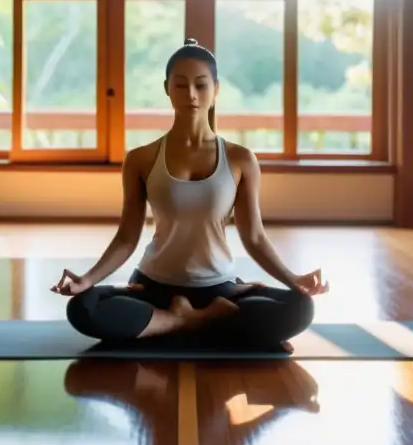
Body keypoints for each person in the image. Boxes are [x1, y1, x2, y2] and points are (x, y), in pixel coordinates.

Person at [51, 38, 328, 353]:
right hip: (154, 286)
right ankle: (199, 321)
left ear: (216, 89)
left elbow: (254, 237)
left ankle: (169, 323)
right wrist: (86, 280)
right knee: (82, 308)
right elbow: (128, 237)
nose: (192, 95)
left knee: (301, 308)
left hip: (219, 289)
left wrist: (295, 280)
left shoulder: (240, 159)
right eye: (180, 86)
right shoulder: (141, 158)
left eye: (201, 85)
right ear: (167, 89)